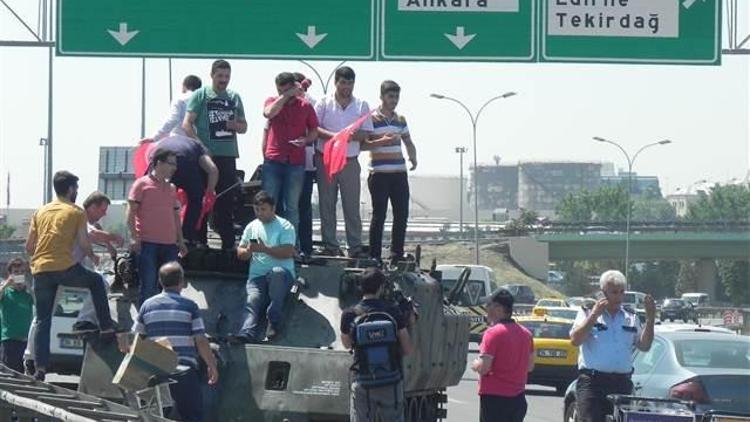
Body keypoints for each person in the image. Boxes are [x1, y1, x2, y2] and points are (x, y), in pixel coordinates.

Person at [25, 171, 114, 381]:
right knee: (95, 281)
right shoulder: (76, 212)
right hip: (65, 268)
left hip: (40, 270)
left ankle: (40, 368)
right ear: (72, 189)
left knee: (42, 319)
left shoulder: (40, 212)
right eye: (76, 188)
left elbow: (29, 247)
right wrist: (92, 256)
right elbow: (84, 243)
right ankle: (106, 328)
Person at [132, 261, 218, 422]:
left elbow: (137, 338)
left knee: (156, 416)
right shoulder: (190, 306)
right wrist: (211, 365)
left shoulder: (147, 305)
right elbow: (200, 340)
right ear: (182, 282)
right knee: (193, 416)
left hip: (155, 371)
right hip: (183, 372)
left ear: (160, 281)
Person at [570, 270, 656, 422]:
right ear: (603, 293)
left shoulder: (631, 316)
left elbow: (644, 345)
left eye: (622, 292)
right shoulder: (587, 312)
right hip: (593, 382)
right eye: (614, 292)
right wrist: (594, 316)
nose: (618, 297)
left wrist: (650, 320)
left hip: (621, 383)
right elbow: (576, 340)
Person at [182, 59, 247, 251]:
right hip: (204, 156)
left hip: (227, 155)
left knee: (225, 200)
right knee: (201, 197)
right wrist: (201, 146)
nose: (223, 80)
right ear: (212, 75)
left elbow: (244, 127)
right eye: (220, 76)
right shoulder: (201, 95)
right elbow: (187, 124)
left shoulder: (234, 97)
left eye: (227, 76)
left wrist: (235, 125)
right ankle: (199, 240)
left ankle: (227, 242)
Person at [314, 66, 373, 258]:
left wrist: (352, 136)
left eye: (350, 83)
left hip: (350, 161)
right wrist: (335, 137)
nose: (346, 87)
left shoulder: (361, 105)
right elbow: (314, 128)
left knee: (352, 206)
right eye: (343, 82)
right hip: (326, 159)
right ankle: (330, 245)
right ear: (336, 82)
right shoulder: (323, 103)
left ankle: (355, 247)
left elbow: (367, 132)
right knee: (327, 204)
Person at [340, 268, 413, 422]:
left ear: (360, 287)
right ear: (381, 287)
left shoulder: (349, 314)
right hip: (390, 381)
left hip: (363, 381)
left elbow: (346, 345)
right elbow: (407, 349)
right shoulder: (392, 311)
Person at [362, 80, 417, 261]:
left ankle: (396, 253)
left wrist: (413, 157)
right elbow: (362, 144)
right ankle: (375, 255)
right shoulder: (371, 118)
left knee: (401, 214)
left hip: (399, 173)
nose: (394, 100)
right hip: (379, 174)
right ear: (382, 97)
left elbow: (408, 141)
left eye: (396, 97)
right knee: (379, 215)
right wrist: (380, 142)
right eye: (390, 96)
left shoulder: (400, 120)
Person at [127, 148, 188, 306]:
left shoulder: (172, 188)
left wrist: (180, 241)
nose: (174, 168)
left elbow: (175, 216)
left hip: (169, 246)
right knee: (148, 286)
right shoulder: (141, 184)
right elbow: (130, 213)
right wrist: (134, 237)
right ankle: (144, 326)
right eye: (171, 164)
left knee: (172, 287)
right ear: (158, 163)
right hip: (148, 244)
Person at [234, 191, 296, 343]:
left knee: (277, 273)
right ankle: (246, 332)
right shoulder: (252, 227)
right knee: (252, 299)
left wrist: (265, 249)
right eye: (257, 210)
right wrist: (248, 251)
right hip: (257, 276)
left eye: (263, 209)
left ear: (273, 209)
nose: (259, 213)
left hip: (282, 274)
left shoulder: (285, 226)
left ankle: (273, 320)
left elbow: (288, 251)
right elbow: (240, 252)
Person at [261, 72, 319, 233]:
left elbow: (314, 131)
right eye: (281, 91)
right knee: (267, 204)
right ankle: (267, 241)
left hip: (295, 163)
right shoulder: (272, 101)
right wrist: (285, 96)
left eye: (287, 90)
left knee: (292, 207)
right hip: (273, 161)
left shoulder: (305, 106)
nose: (284, 94)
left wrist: (306, 140)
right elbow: (269, 113)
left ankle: (291, 245)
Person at [471, 288, 534, 422]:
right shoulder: (526, 334)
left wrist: (475, 364)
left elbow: (484, 368)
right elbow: (530, 366)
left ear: (498, 308)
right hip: (518, 399)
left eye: (488, 305)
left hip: (495, 398)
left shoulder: (492, 333)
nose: (486, 309)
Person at [153, 136, 219, 246]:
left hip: (159, 157)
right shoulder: (200, 149)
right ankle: (186, 236)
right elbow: (213, 170)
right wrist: (209, 192)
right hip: (184, 161)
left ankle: (153, 233)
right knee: (196, 199)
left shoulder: (168, 140)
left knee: (150, 195)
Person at [293, 72, 318, 259]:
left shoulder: (310, 103)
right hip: (287, 163)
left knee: (304, 207)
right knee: (289, 206)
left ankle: (306, 247)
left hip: (307, 163)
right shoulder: (281, 103)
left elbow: (315, 131)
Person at [145, 75, 203, 143]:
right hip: (199, 144)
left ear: (184, 86)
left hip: (179, 142)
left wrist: (154, 138)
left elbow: (173, 120)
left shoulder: (180, 99)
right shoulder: (203, 101)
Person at [0, 258, 33, 373]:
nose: (19, 275)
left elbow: (39, 304)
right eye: (16, 272)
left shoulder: (28, 294)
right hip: (9, 340)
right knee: (10, 375)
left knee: (25, 376)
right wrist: (6, 284)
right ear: (10, 274)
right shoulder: (6, 292)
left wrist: (28, 286)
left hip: (26, 342)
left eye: (22, 272)